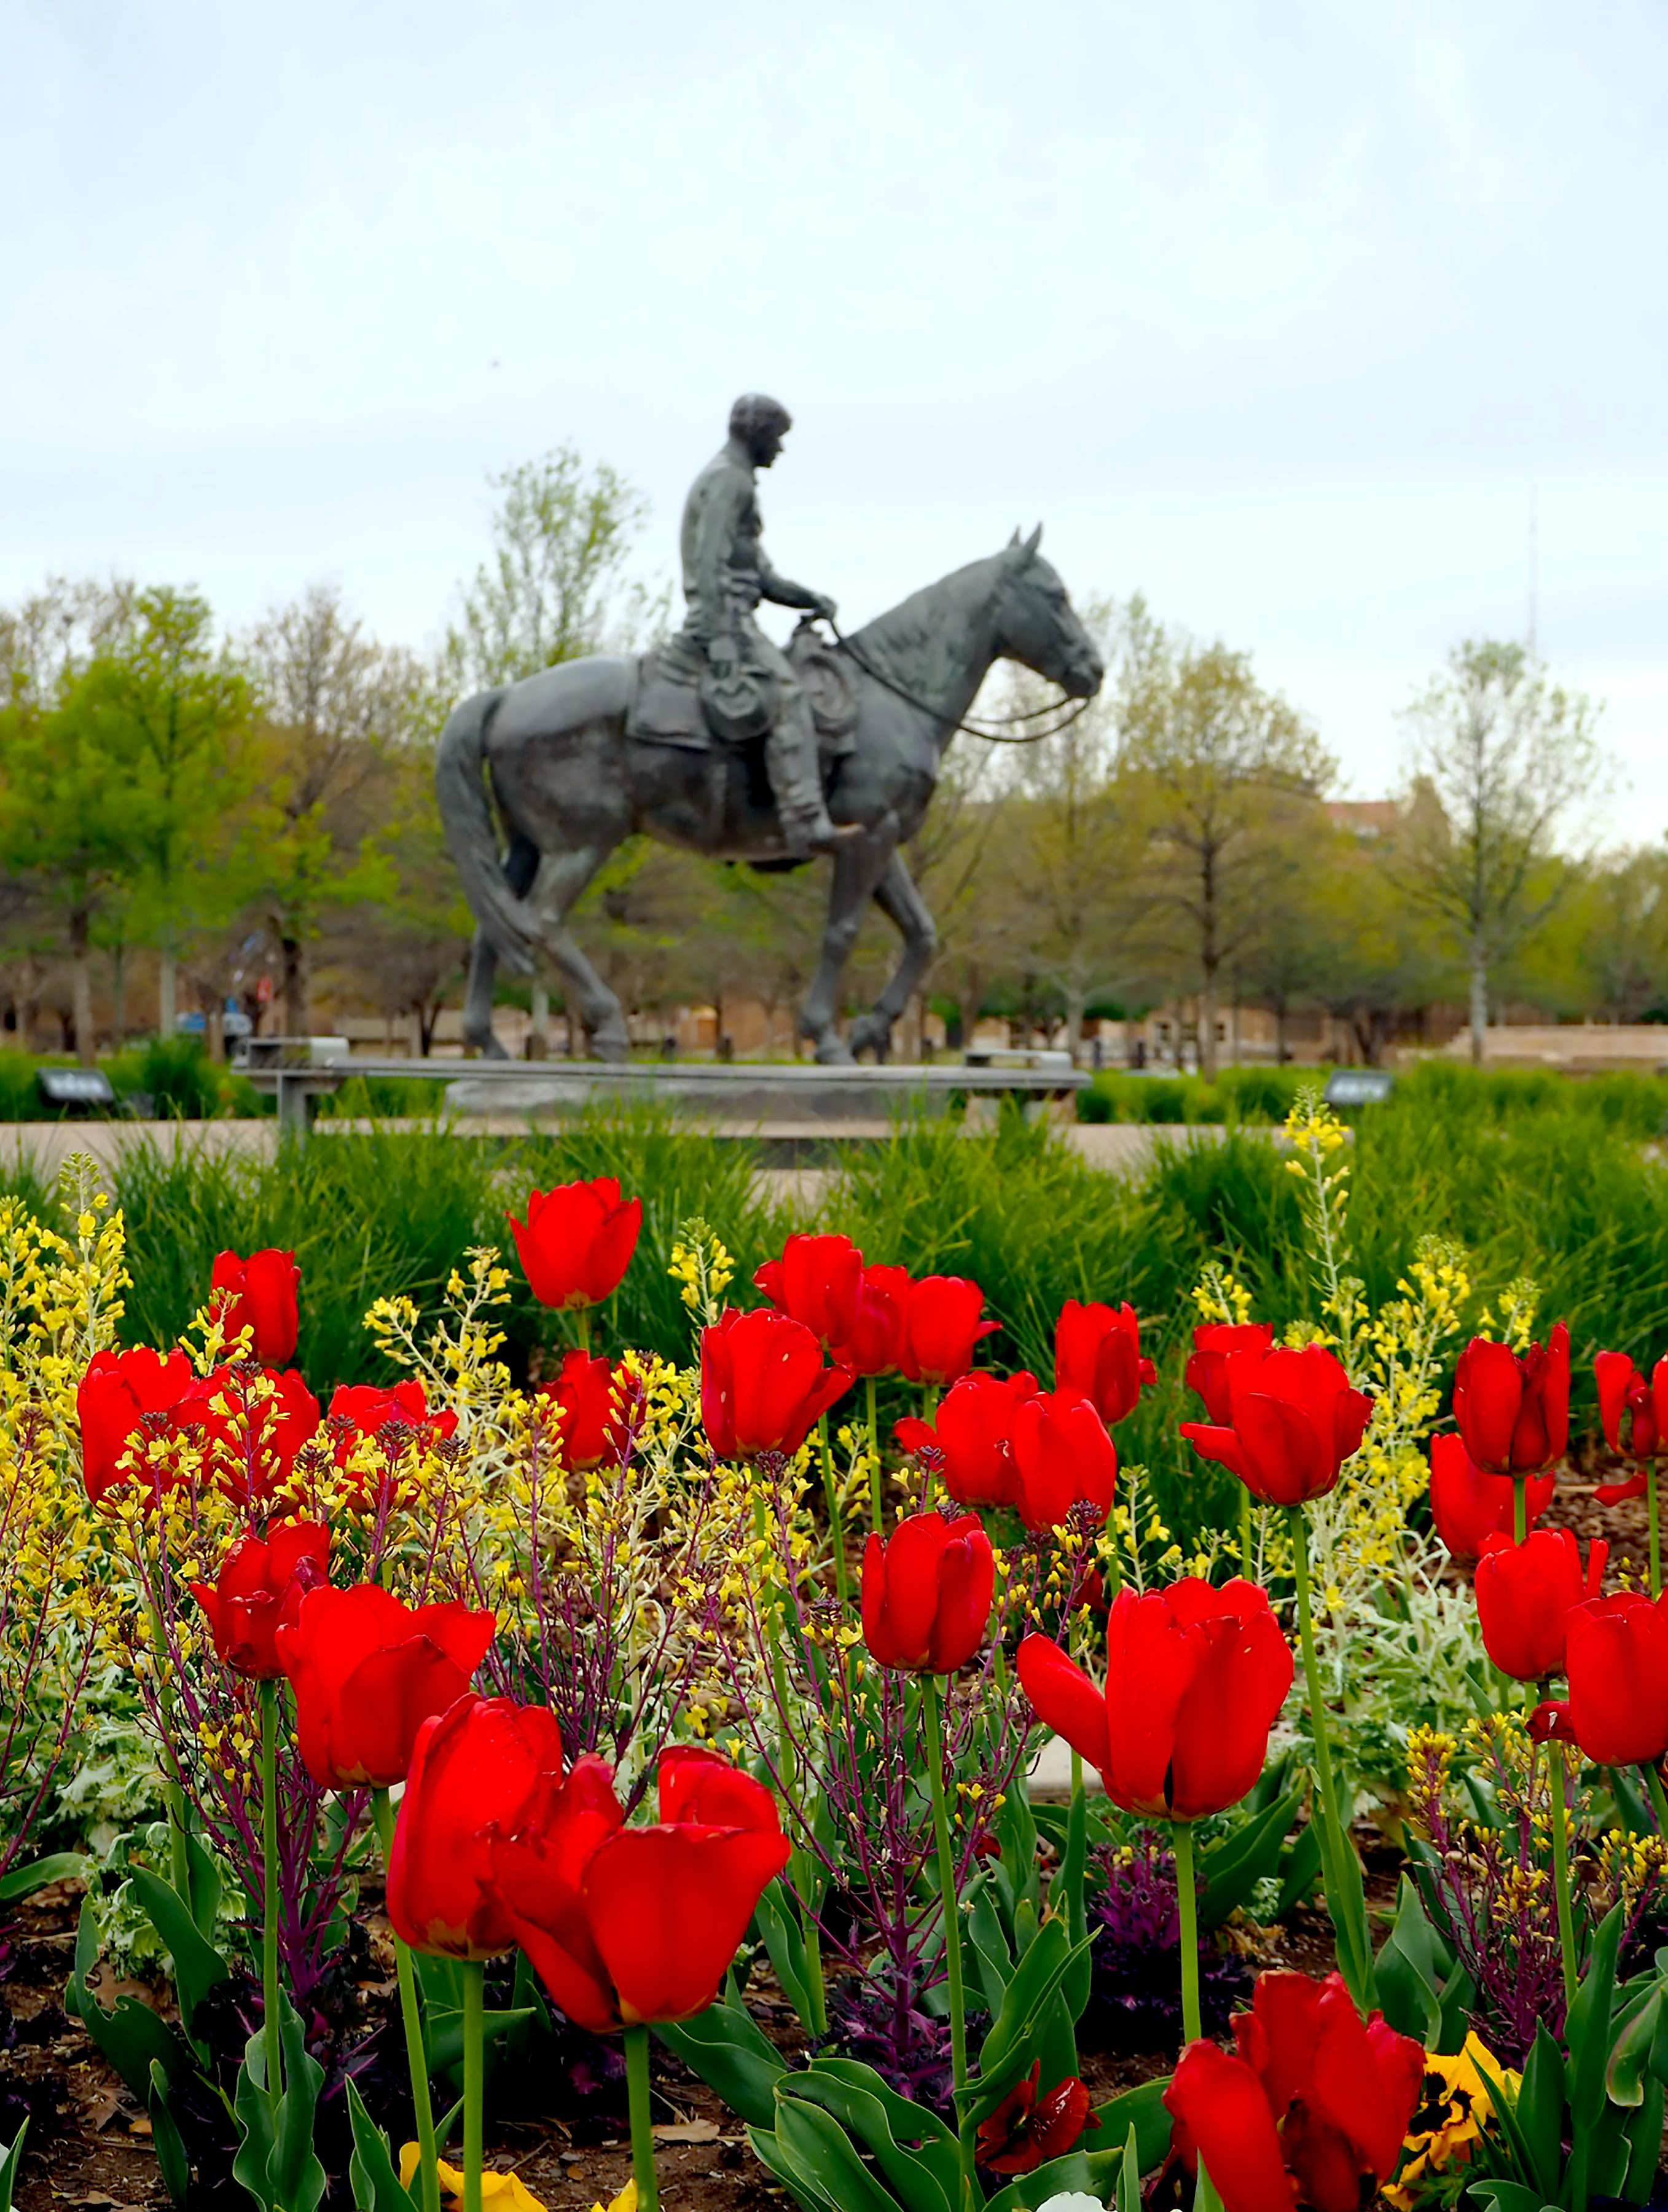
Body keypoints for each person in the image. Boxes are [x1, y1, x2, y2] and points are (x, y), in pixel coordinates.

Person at [676, 394, 853, 855]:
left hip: (733, 613)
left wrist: (808, 597)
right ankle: (805, 820)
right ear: (755, 433)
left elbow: (760, 575)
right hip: (724, 619)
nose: (780, 449)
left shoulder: (736, 481)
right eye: (777, 438)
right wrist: (720, 641)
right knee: (788, 695)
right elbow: (711, 564)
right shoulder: (729, 481)